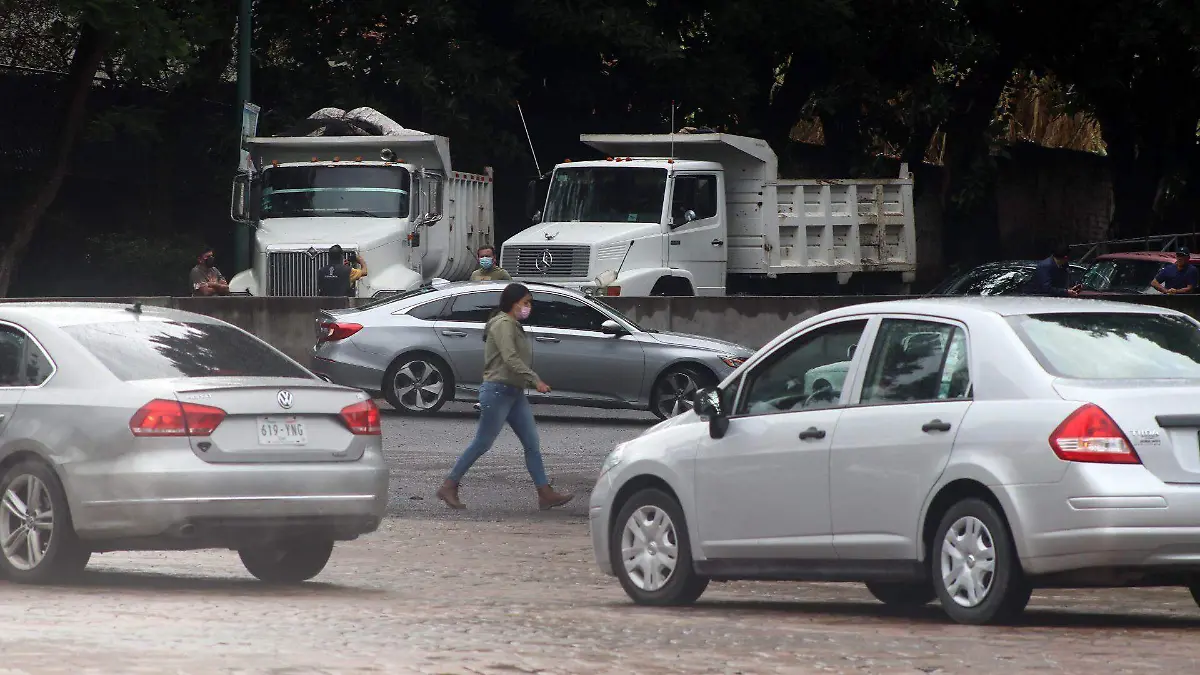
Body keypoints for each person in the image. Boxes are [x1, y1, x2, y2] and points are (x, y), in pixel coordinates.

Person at [437, 283, 573, 511]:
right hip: (498, 391)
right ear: (513, 302)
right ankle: (449, 485)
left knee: (532, 443)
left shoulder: (511, 324)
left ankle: (545, 493)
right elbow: (510, 358)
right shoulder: (503, 324)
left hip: (514, 392)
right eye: (525, 302)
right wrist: (535, 380)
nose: (528, 307)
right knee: (482, 443)